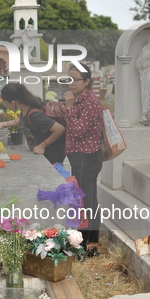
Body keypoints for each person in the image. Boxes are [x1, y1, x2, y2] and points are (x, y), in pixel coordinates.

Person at [62, 63, 103, 256]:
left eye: (75, 79)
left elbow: (78, 131)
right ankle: (88, 244)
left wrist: (69, 108)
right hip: (79, 156)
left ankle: (87, 245)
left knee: (87, 202)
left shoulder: (90, 102)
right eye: (69, 79)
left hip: (87, 156)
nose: (71, 83)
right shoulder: (78, 100)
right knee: (86, 201)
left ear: (87, 81)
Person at [0, 83, 65, 164]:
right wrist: (3, 124)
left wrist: (42, 146)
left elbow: (60, 129)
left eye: (6, 103)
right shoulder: (26, 109)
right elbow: (22, 121)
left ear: (13, 102)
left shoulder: (35, 115)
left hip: (51, 158)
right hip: (41, 156)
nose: (7, 105)